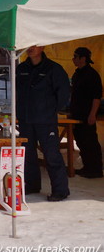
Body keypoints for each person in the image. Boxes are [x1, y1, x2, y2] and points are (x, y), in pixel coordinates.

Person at [16, 45, 70, 201]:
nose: (31, 48)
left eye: (35, 45)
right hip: (26, 120)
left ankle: (60, 190)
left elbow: (64, 93)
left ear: (43, 47)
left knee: (52, 155)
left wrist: (49, 109)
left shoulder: (53, 69)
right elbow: (17, 92)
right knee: (28, 155)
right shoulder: (21, 68)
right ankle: (32, 185)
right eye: (29, 45)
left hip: (45, 121)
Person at [70, 47, 103, 178]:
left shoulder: (92, 74)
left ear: (83, 58)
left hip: (87, 114)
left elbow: (96, 97)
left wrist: (92, 114)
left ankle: (95, 169)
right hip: (77, 113)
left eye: (75, 56)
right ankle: (87, 167)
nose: (73, 59)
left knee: (90, 142)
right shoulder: (77, 73)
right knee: (81, 141)